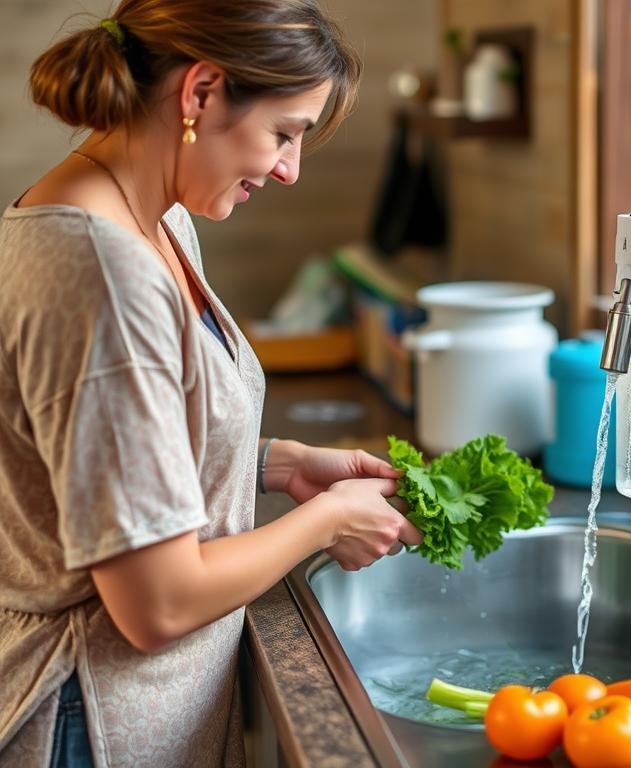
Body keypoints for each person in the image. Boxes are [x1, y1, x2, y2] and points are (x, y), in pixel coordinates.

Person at [0, 2, 424, 766]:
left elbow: (107, 454)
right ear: (200, 94)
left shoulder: (154, 222)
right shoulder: (104, 272)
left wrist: (279, 465)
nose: (290, 169)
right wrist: (325, 523)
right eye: (285, 133)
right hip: (89, 718)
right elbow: (156, 604)